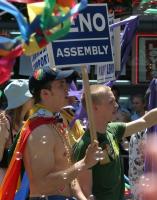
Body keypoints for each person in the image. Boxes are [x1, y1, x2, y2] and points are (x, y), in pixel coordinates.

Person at [0, 67, 102, 200]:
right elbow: (42, 185)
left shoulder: (54, 123)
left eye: (66, 84)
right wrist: (84, 163)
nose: (67, 88)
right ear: (45, 93)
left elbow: (66, 172)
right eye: (61, 85)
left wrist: (82, 198)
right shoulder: (40, 130)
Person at [73, 84, 157, 200]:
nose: (116, 105)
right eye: (111, 102)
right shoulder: (86, 145)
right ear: (95, 107)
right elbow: (85, 192)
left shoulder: (113, 129)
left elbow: (145, 121)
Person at [0, 79, 33, 183]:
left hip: (21, 183)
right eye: (30, 96)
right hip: (5, 183)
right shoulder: (4, 123)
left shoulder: (25, 123)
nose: (33, 98)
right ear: (22, 101)